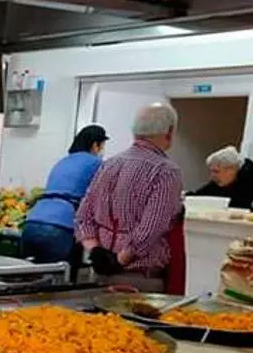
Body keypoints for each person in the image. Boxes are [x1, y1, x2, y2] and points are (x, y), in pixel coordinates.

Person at [76, 103, 184, 293]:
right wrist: (119, 260)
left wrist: (96, 251)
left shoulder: (109, 164)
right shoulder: (166, 171)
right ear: (169, 132)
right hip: (139, 280)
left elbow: (83, 216)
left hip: (99, 274)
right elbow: (151, 228)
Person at [21, 125, 109, 264]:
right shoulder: (96, 163)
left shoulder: (63, 161)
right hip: (60, 227)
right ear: (95, 145)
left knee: (30, 272)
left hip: (32, 223)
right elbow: (102, 197)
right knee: (58, 274)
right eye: (102, 146)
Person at [187, 145, 253, 209]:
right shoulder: (218, 182)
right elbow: (198, 197)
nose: (212, 176)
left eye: (216, 171)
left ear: (231, 170)